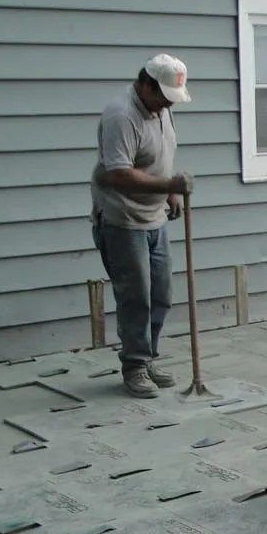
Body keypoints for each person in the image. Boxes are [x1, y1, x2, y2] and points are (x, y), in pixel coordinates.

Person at [90, 54, 195, 398]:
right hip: (122, 220)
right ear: (146, 84)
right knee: (136, 297)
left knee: (161, 295)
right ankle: (134, 365)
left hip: (154, 218)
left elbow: (159, 157)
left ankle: (148, 358)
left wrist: (169, 193)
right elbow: (119, 174)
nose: (169, 104)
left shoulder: (161, 109)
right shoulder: (121, 115)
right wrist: (168, 185)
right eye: (164, 96)